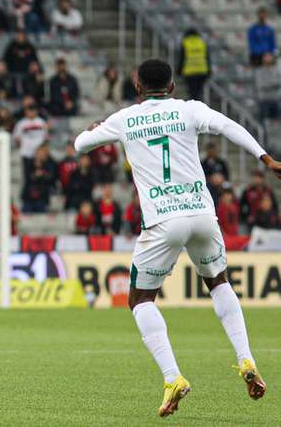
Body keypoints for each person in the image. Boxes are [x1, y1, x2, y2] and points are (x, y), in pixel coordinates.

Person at [74, 58, 279, 416]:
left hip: (162, 220)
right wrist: (264, 157)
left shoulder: (124, 118)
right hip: (201, 214)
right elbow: (229, 125)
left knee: (140, 299)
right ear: (171, 87)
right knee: (218, 283)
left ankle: (173, 377)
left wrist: (93, 130)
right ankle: (245, 358)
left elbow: (80, 146)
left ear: (137, 87)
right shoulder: (189, 109)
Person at [12, 102, 48, 182]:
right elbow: (16, 138)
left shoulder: (41, 122)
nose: (31, 112)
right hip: (26, 153)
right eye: (29, 110)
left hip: (39, 155)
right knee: (28, 176)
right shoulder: (21, 123)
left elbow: (46, 137)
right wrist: (22, 146)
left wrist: (42, 150)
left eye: (33, 110)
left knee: (41, 175)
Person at [177, 29, 211, 100]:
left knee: (192, 93)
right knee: (199, 92)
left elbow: (182, 58)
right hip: (202, 71)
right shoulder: (202, 42)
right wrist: (209, 70)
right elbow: (207, 57)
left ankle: (193, 107)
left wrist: (179, 70)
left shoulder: (185, 43)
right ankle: (199, 106)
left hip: (190, 72)